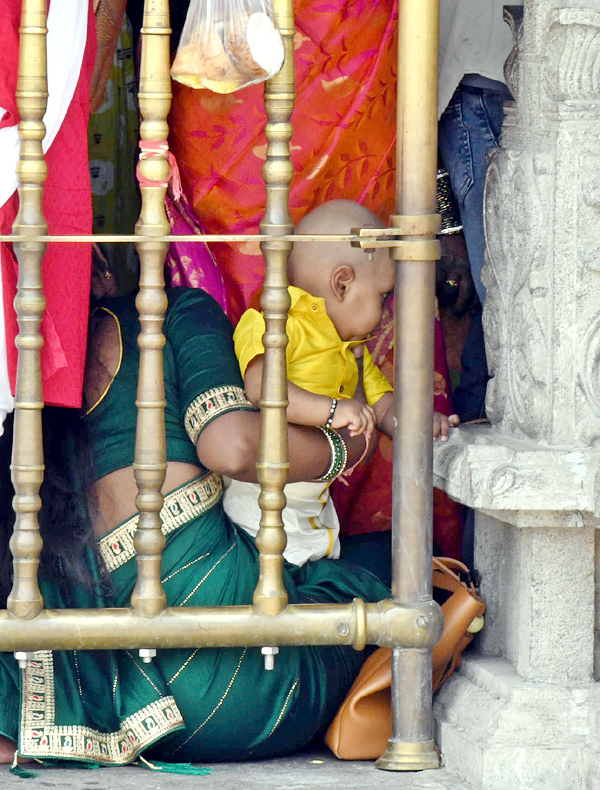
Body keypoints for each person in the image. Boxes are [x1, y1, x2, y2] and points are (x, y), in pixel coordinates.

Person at [0, 283, 391, 767]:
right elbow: (232, 447)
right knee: (385, 561)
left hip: (101, 676)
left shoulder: (21, 373)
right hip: (243, 683)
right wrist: (350, 445)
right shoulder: (172, 310)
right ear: (98, 256)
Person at [224, 201, 459, 567]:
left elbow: (384, 410)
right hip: (257, 510)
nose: (385, 316)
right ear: (342, 283)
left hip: (310, 509)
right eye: (383, 296)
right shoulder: (273, 323)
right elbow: (263, 389)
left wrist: (421, 423)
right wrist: (334, 410)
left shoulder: (353, 351)